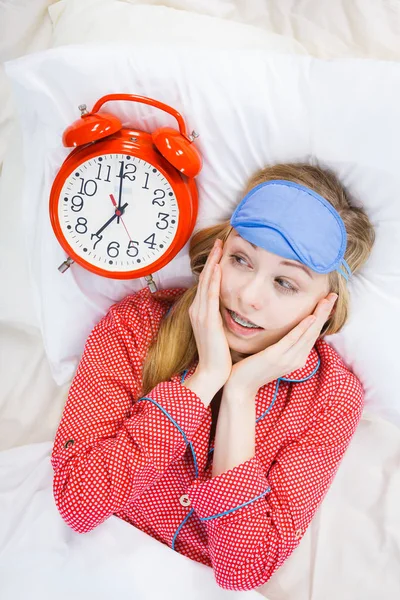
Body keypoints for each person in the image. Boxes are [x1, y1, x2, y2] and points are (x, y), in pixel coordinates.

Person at [51, 162, 375, 592]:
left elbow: (243, 572)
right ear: (218, 251)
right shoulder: (135, 325)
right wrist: (203, 380)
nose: (248, 296)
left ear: (325, 309)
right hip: (87, 568)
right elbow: (79, 501)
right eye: (241, 259)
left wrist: (240, 394)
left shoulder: (331, 399)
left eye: (285, 283)